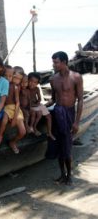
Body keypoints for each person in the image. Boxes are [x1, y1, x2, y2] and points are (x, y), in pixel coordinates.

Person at [46, 51, 83, 185]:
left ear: (64, 62)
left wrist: (76, 122)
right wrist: (42, 106)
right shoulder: (53, 79)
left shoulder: (76, 77)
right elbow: (54, 99)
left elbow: (80, 100)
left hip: (69, 114)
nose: (54, 64)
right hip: (57, 113)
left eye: (56, 62)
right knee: (58, 145)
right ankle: (62, 174)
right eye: (53, 62)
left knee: (67, 147)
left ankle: (69, 176)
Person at [0, 66, 26, 153]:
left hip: (15, 108)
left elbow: (17, 102)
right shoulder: (1, 85)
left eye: (18, 79)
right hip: (6, 108)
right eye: (14, 77)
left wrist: (15, 117)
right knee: (4, 121)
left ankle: (13, 142)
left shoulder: (15, 87)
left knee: (23, 132)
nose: (15, 80)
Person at [28, 72, 55, 140]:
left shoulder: (36, 88)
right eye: (30, 81)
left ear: (37, 83)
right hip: (29, 106)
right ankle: (34, 127)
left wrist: (38, 102)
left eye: (35, 82)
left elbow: (39, 98)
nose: (32, 83)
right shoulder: (25, 89)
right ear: (27, 80)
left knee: (48, 116)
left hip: (36, 104)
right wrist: (34, 105)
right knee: (38, 113)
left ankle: (49, 132)